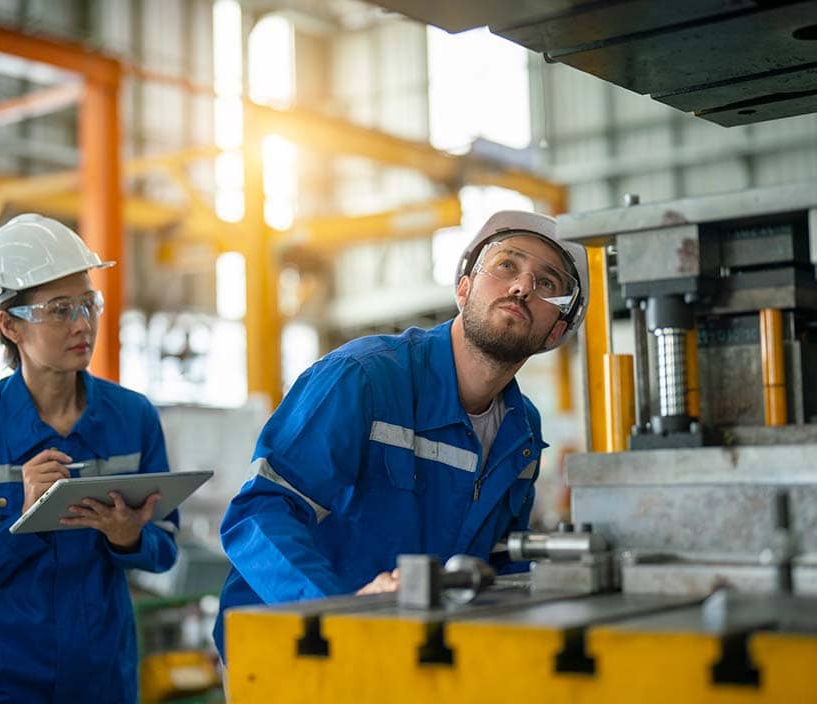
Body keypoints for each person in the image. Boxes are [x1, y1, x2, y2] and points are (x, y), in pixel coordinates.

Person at [212, 210, 589, 659]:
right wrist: (338, 611)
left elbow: (502, 557)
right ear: (463, 288)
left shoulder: (521, 428)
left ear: (557, 331)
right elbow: (258, 514)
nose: (522, 286)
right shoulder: (363, 379)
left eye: (546, 283)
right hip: (295, 646)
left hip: (407, 650)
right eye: (507, 265)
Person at [0, 214, 179, 703]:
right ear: (9, 324)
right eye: (59, 310)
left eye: (87, 303)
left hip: (101, 681)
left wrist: (128, 539)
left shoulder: (132, 418)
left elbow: (165, 547)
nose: (83, 324)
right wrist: (22, 520)